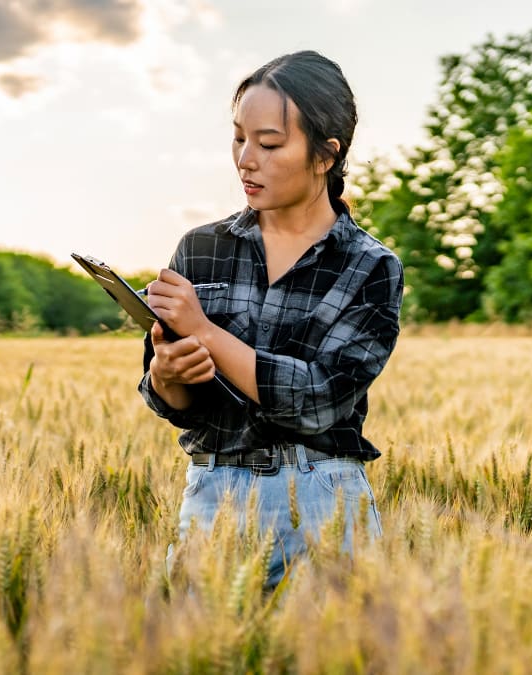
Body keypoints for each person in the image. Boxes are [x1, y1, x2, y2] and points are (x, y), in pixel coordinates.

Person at [138, 50, 404, 590]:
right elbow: (175, 403)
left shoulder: (370, 267)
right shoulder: (201, 247)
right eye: (239, 138)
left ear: (326, 154)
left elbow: (316, 401)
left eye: (270, 143)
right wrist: (169, 376)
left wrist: (207, 333)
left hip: (323, 502)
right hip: (213, 494)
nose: (245, 158)